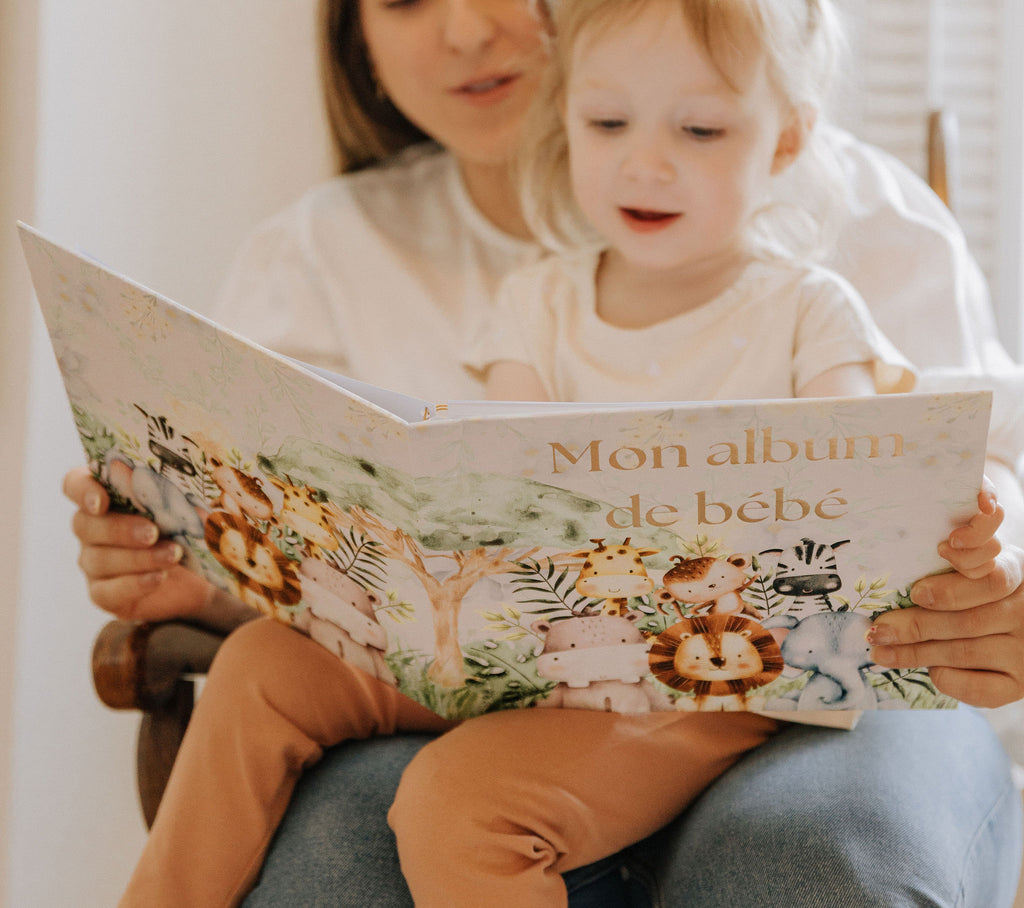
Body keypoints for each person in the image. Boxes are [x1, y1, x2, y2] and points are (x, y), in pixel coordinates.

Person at [63, 0, 1024, 904]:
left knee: (456, 803)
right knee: (261, 668)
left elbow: (870, 492)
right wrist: (212, 548)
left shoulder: (812, 307)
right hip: (512, 648)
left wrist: (981, 520)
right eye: (609, 127)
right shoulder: (537, 300)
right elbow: (500, 485)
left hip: (703, 668)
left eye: (698, 132)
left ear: (784, 140)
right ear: (568, 119)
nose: (647, 165)